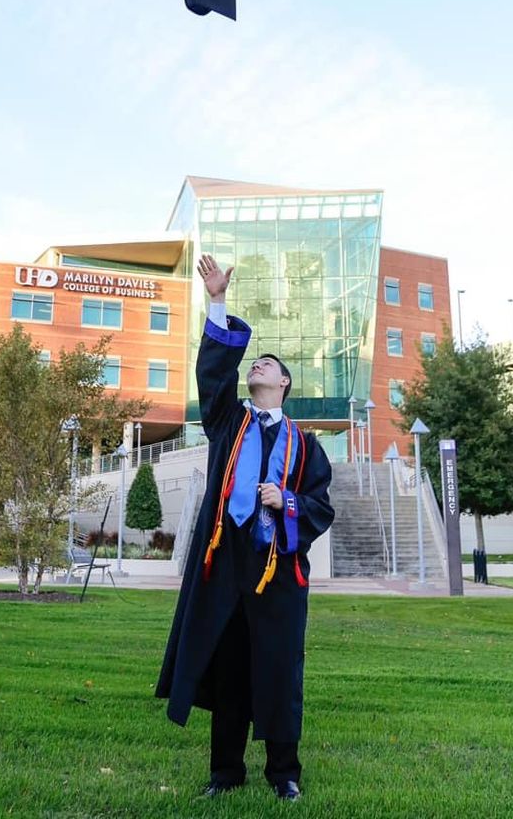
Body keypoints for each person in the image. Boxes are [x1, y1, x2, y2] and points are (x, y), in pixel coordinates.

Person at [156, 253, 335, 801]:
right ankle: (224, 774)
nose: (257, 366)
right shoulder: (227, 421)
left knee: (279, 672)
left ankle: (284, 774)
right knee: (228, 668)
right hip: (224, 558)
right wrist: (217, 301)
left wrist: (287, 502)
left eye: (267, 364)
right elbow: (212, 377)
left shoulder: (306, 445)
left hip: (276, 567)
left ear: (283, 383)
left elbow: (321, 507)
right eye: (253, 363)